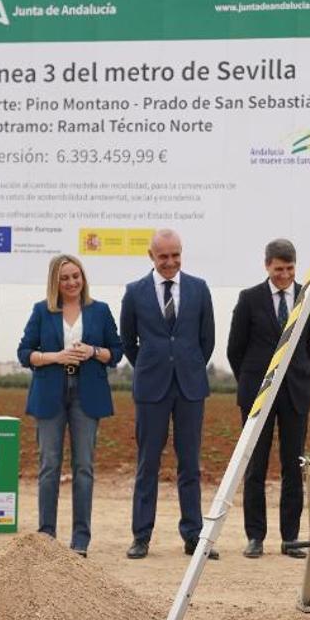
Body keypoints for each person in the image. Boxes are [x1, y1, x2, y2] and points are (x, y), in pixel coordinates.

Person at [120, 229, 218, 560]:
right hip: (152, 389)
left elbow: (207, 340)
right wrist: (152, 365)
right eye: (163, 256)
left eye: (175, 255)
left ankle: (193, 536)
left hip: (190, 388)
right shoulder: (134, 292)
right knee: (147, 464)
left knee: (189, 465)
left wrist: (187, 365)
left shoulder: (199, 289)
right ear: (151, 256)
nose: (170, 262)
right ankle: (141, 536)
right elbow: (128, 341)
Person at [17, 254, 122, 557]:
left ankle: (80, 540)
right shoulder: (42, 310)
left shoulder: (100, 310)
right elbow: (24, 353)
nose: (72, 282)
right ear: (55, 282)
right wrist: (56, 356)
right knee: (49, 466)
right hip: (49, 393)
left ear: (83, 277)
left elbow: (116, 353)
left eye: (76, 276)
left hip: (87, 394)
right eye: (65, 278)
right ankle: (46, 536)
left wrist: (93, 350)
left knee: (84, 467)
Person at [226, 239, 310, 559]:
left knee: (293, 467)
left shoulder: (309, 297)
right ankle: (255, 537)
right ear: (267, 266)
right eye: (279, 269)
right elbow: (235, 349)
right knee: (255, 467)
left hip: (295, 394)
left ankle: (290, 538)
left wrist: (296, 374)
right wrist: (254, 382)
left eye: (290, 269)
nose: (284, 275)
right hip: (257, 394)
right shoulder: (249, 299)